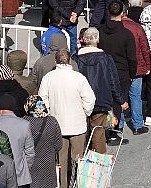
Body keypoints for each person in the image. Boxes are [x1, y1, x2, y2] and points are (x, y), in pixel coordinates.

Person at [37, 50, 95, 188]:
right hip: (77, 125)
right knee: (78, 160)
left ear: (55, 62)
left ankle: (62, 185)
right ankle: (76, 184)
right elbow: (90, 99)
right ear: (69, 61)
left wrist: (49, 114)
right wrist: (85, 113)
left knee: (60, 162)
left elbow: (41, 100)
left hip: (57, 126)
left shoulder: (48, 78)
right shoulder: (79, 77)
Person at [73, 27, 128, 150]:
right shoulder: (106, 58)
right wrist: (121, 100)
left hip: (81, 102)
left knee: (82, 135)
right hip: (101, 101)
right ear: (97, 39)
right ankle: (98, 165)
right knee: (98, 135)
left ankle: (80, 162)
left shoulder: (76, 59)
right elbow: (114, 82)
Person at [97, 0, 145, 136]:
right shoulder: (126, 34)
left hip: (104, 70)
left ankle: (112, 129)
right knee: (119, 102)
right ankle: (114, 131)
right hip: (122, 72)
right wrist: (132, 73)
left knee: (108, 101)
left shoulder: (100, 31)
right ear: (123, 13)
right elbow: (132, 57)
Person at [0, 94, 35, 188]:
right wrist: (25, 169)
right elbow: (30, 152)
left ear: (0, 109)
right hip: (20, 177)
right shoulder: (24, 124)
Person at [22, 95, 62, 188]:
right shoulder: (52, 121)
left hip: (30, 165)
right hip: (48, 165)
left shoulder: (23, 122)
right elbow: (58, 145)